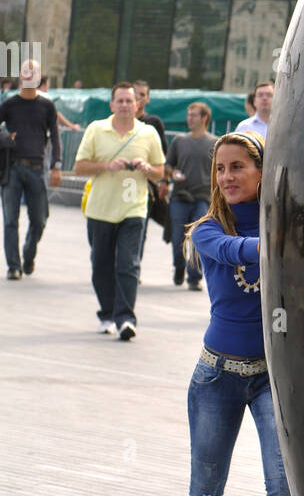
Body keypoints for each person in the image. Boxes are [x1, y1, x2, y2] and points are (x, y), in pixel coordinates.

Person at [162, 131, 302, 496]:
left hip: (272, 378)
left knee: (283, 489)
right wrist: (285, 238)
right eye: (221, 169)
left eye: (238, 167)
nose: (227, 177)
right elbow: (242, 250)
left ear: (261, 170)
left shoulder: (280, 222)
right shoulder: (205, 231)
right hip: (216, 375)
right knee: (205, 487)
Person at [73, 82, 164, 338]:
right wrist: (107, 165)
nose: (125, 105)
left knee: (128, 264)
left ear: (138, 105)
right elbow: (79, 166)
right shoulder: (96, 129)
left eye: (129, 101)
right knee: (100, 265)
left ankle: (125, 318)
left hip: (134, 209)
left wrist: (146, 168)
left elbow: (160, 171)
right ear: (112, 105)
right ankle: (107, 313)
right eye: (120, 101)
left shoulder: (148, 134)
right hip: (100, 210)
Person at [0, 58, 62, 278]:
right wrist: (7, 137)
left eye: (32, 72)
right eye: (25, 72)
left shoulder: (47, 105)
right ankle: (13, 266)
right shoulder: (8, 104)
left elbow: (55, 135)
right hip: (12, 169)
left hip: (36, 168)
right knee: (9, 220)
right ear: (20, 76)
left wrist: (57, 164)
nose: (28, 76)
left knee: (39, 219)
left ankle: (28, 253)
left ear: (38, 77)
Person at [159, 101, 217, 289]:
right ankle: (179, 266)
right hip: (180, 197)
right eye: (188, 114)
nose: (189, 118)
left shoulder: (215, 143)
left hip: (203, 198)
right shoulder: (179, 141)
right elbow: (168, 165)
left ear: (204, 118)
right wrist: (172, 173)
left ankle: (194, 277)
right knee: (177, 237)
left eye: (193, 115)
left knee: (197, 238)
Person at [133, 80, 169, 263]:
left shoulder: (152, 123)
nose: (137, 98)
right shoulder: (115, 123)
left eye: (141, 94)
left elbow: (163, 156)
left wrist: (164, 181)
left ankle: (133, 266)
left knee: (138, 228)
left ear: (147, 99)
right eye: (134, 93)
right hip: (117, 184)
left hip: (144, 185)